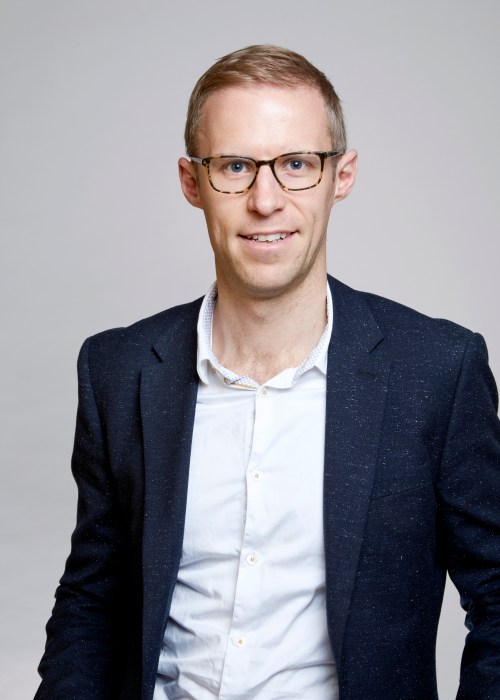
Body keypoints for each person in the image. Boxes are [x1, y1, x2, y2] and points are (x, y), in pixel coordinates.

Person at [35, 45, 500, 700]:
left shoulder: (438, 370)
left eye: (296, 164)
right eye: (234, 166)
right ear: (192, 182)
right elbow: (92, 601)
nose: (265, 200)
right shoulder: (119, 370)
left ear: (342, 175)